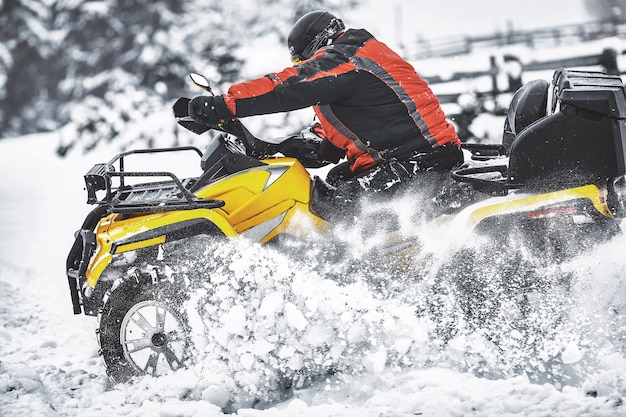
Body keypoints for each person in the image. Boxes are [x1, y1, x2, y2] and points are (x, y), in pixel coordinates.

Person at [188, 10, 463, 218]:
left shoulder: (349, 57)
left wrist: (227, 104)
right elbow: (328, 143)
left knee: (329, 211)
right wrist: (277, 147)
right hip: (403, 161)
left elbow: (293, 85)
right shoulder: (349, 70)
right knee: (330, 185)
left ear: (316, 45)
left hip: (420, 163)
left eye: (302, 59)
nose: (303, 64)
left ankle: (358, 280)